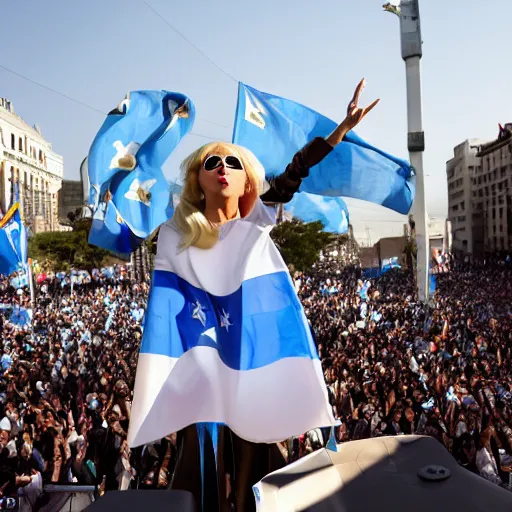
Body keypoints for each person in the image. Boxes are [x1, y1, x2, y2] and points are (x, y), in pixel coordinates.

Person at [129, 79, 379, 511]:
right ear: (198, 179)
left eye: (233, 161)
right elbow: (164, 308)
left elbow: (296, 171)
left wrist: (339, 132)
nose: (223, 166)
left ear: (247, 179)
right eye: (213, 161)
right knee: (202, 474)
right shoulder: (173, 236)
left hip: (248, 363)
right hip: (201, 365)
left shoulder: (255, 220)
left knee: (249, 475)